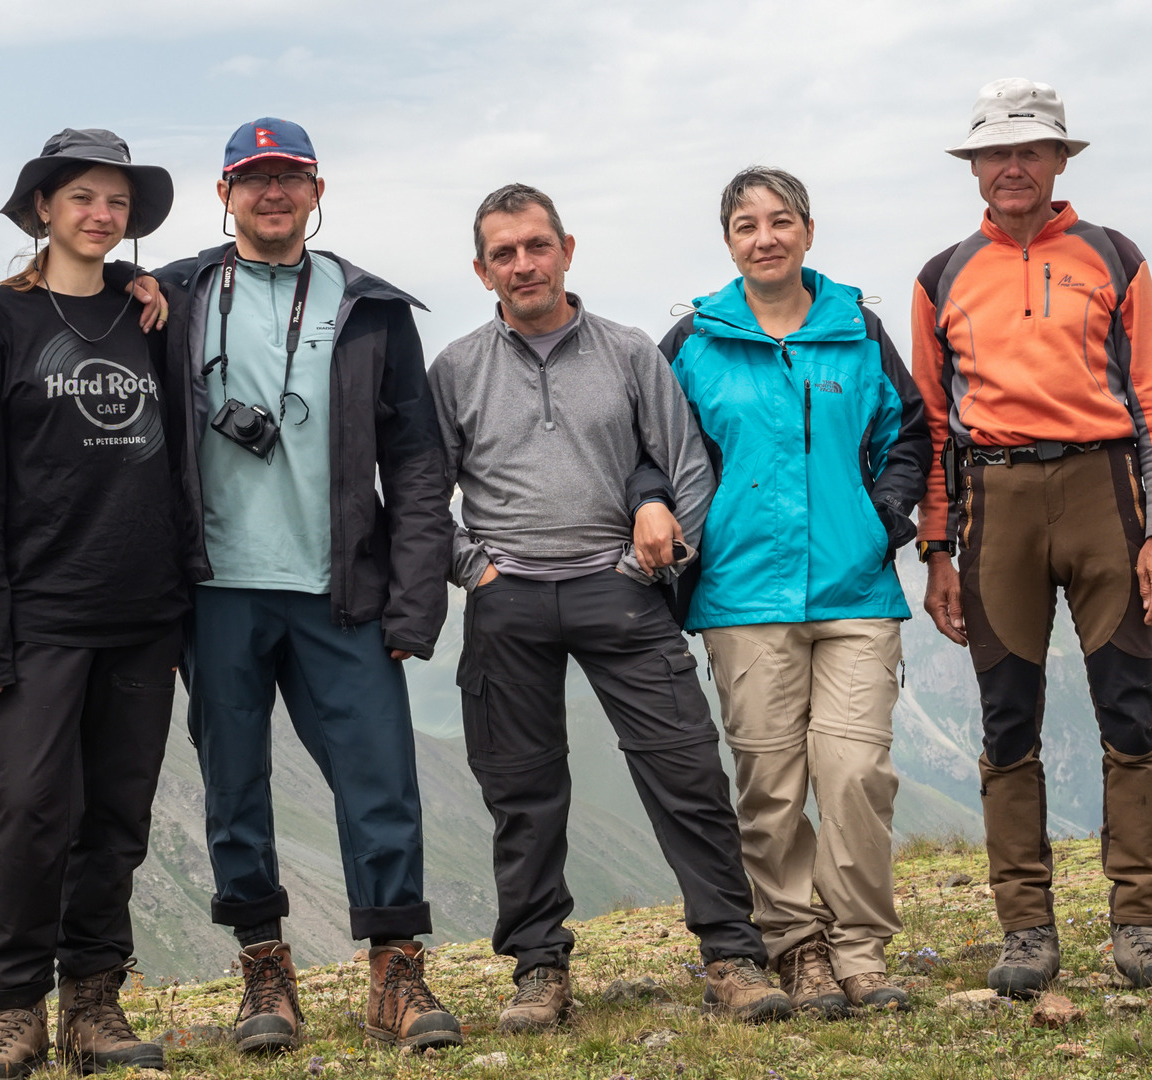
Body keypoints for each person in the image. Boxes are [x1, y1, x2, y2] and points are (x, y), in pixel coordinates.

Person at [431, 183, 792, 1031]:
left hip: (617, 588)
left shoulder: (630, 353)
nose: (524, 264)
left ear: (567, 248)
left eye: (537, 245)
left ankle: (733, 956)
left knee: (687, 772)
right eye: (505, 253)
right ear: (482, 270)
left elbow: (689, 467)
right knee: (521, 792)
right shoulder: (454, 369)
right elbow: (419, 490)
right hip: (506, 594)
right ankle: (539, 971)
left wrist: (650, 561)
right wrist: (469, 567)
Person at [144, 118, 458, 1054]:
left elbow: (417, 461)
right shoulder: (171, 295)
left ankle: (394, 972)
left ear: (318, 191)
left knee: (380, 779)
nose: (270, 194)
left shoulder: (370, 307)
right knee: (233, 784)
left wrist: (415, 599)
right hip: (215, 587)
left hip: (341, 588)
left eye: (288, 178)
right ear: (224, 193)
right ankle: (264, 972)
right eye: (252, 178)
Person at [912, 78, 1152, 996]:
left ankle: (1141, 925)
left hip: (1102, 487)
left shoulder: (1114, 257)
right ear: (975, 168)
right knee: (1006, 722)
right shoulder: (941, 276)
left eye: (1029, 151)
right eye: (995, 154)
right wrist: (937, 548)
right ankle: (1027, 929)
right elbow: (931, 428)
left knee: (1129, 704)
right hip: (994, 503)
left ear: (1061, 160)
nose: (1011, 168)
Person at [655, 167, 930, 1017]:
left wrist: (878, 521)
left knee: (854, 775)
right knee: (769, 784)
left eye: (780, 221)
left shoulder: (857, 330)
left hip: (854, 595)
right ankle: (797, 947)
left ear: (808, 230)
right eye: (746, 225)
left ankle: (860, 950)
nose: (765, 237)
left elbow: (909, 434)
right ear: (728, 241)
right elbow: (657, 451)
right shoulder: (692, 342)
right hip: (742, 597)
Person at [0, 129, 196, 1078]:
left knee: (117, 819)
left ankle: (94, 1004)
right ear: (43, 209)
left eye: (116, 202)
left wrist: (180, 597)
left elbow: (176, 458)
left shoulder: (150, 317)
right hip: (42, 608)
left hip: (143, 609)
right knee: (30, 812)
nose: (101, 215)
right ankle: (13, 1010)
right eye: (82, 198)